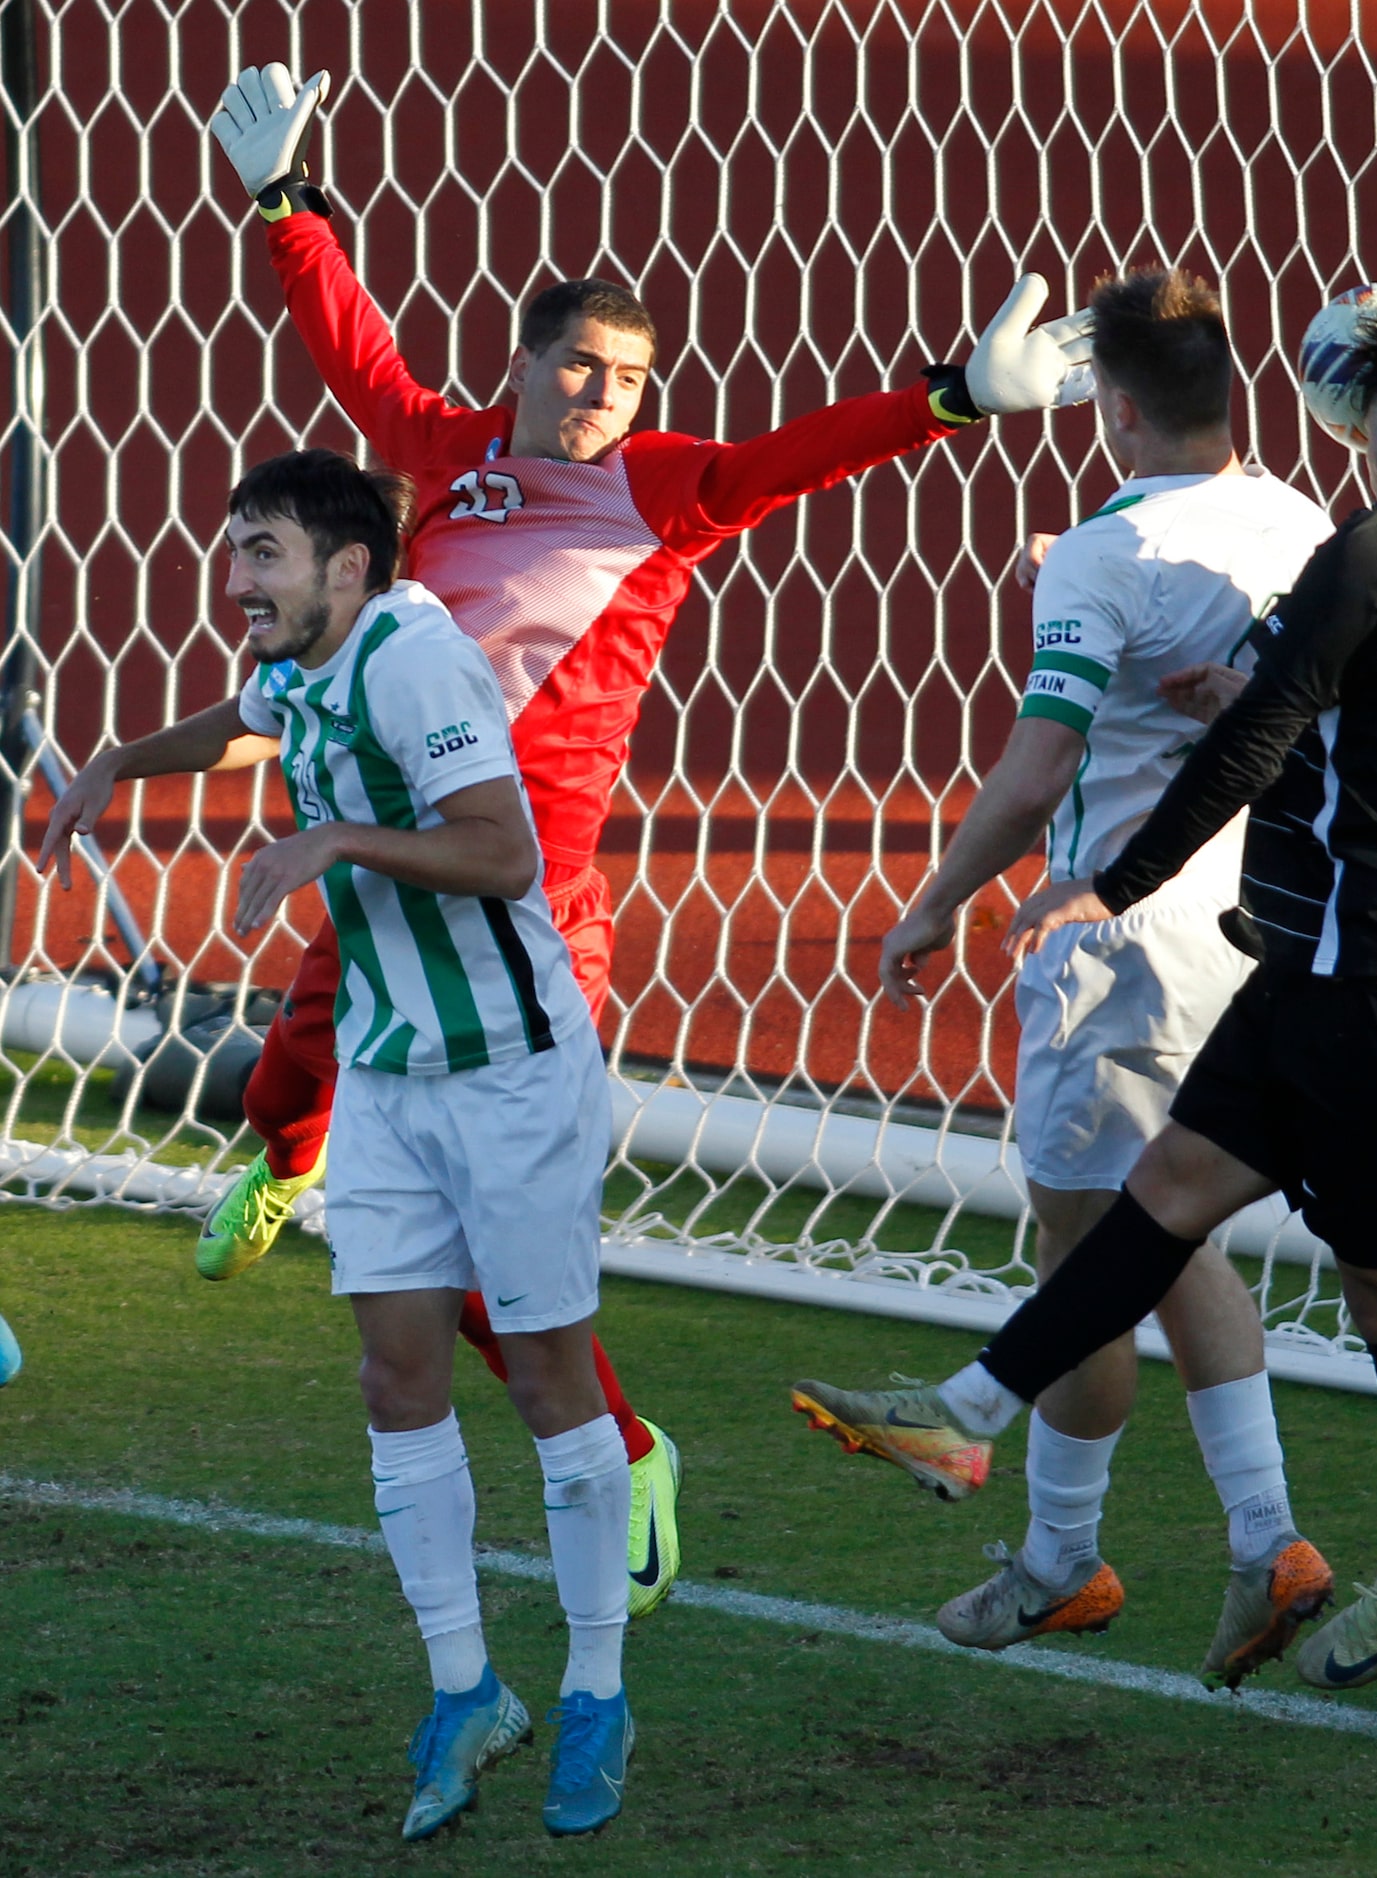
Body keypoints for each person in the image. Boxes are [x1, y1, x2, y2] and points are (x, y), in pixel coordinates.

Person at [201, 63, 1094, 1618]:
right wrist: (287, 208)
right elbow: (357, 354)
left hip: (529, 899)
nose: (603, 392)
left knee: (483, 1272)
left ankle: (633, 1451)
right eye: (582, 366)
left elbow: (796, 456)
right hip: (386, 858)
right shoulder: (449, 448)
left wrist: (950, 397)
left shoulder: (665, 485)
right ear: (532, 364)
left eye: (626, 372)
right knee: (297, 1044)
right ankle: (286, 1157)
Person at [795, 297, 1377, 1690]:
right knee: (1164, 1195)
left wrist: (1108, 877)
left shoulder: (1371, 550)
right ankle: (970, 1405)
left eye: (1369, 439)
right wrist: (1309, 694)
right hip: (1312, 967)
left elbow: (1246, 748)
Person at [42, 450, 640, 1837]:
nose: (236, 578)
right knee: (395, 1370)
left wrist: (341, 844)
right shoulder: (310, 656)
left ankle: (599, 1687)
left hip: (509, 1072)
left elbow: (502, 853)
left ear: (351, 569)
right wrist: (128, 756)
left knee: (551, 1378)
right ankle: (466, 1689)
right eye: (237, 549)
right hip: (386, 1069)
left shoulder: (415, 662)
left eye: (264, 553)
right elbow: (249, 721)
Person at [794, 266, 1336, 1686]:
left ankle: (1062, 1558)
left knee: (1087, 1247)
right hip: (1265, 925)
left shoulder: (1097, 555)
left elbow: (1039, 770)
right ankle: (1265, 1538)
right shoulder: (1299, 517)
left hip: (1118, 942)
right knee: (1174, 1231)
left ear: (1113, 402)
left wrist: (933, 898)